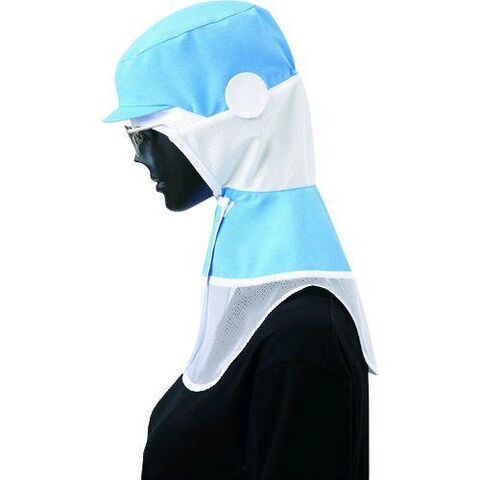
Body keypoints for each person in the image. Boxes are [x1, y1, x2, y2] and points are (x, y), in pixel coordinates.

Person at [104, 2, 376, 478]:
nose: (138, 157)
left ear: (238, 110)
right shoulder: (264, 321)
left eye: (145, 134)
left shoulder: (305, 341)